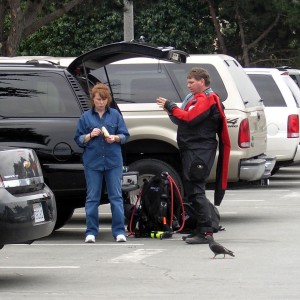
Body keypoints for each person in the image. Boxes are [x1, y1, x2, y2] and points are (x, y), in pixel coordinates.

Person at [156, 67, 230, 244]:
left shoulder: (207, 98)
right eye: (188, 82)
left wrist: (171, 106)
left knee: (196, 191)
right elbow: (185, 118)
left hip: (199, 151)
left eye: (191, 82)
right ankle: (201, 229)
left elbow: (190, 117)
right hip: (194, 150)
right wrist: (172, 110)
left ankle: (205, 232)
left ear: (202, 82)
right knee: (192, 191)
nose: (188, 85)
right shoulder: (198, 98)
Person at [74, 82, 130, 243]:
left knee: (116, 196)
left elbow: (125, 135)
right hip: (92, 162)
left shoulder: (115, 115)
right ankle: (91, 232)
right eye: (98, 99)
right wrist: (90, 135)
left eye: (104, 99)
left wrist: (116, 138)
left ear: (108, 100)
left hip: (113, 161)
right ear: (93, 99)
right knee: (92, 197)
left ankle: (119, 231)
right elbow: (78, 139)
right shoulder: (85, 117)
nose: (101, 102)